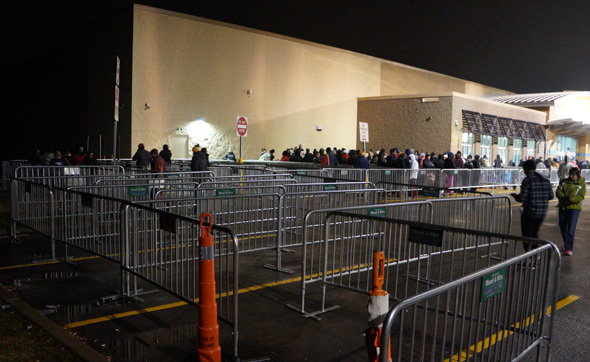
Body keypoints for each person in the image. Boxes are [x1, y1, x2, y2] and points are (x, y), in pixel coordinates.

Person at [510, 160, 554, 252]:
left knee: (527, 235)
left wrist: (515, 196)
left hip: (530, 212)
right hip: (542, 212)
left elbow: (523, 198)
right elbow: (551, 196)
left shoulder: (528, 180)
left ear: (526, 169)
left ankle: (529, 256)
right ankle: (535, 253)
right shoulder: (545, 179)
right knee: (534, 233)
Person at [556, 167, 585, 256]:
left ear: (577, 175)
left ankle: (568, 248)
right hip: (563, 207)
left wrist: (570, 199)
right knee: (563, 227)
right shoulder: (564, 181)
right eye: (570, 175)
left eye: (573, 175)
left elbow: (580, 196)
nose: (571, 177)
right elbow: (558, 191)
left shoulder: (581, 183)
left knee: (571, 229)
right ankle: (566, 243)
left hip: (574, 208)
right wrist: (563, 198)